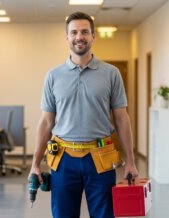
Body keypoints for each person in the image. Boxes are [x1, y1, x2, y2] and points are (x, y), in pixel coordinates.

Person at [28, 12, 139, 218]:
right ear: (67, 37)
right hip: (63, 158)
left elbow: (122, 118)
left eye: (85, 32)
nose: (80, 36)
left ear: (93, 36)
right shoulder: (53, 76)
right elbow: (46, 122)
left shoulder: (111, 73)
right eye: (74, 32)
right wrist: (35, 164)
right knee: (63, 214)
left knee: (104, 214)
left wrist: (130, 161)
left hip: (101, 157)